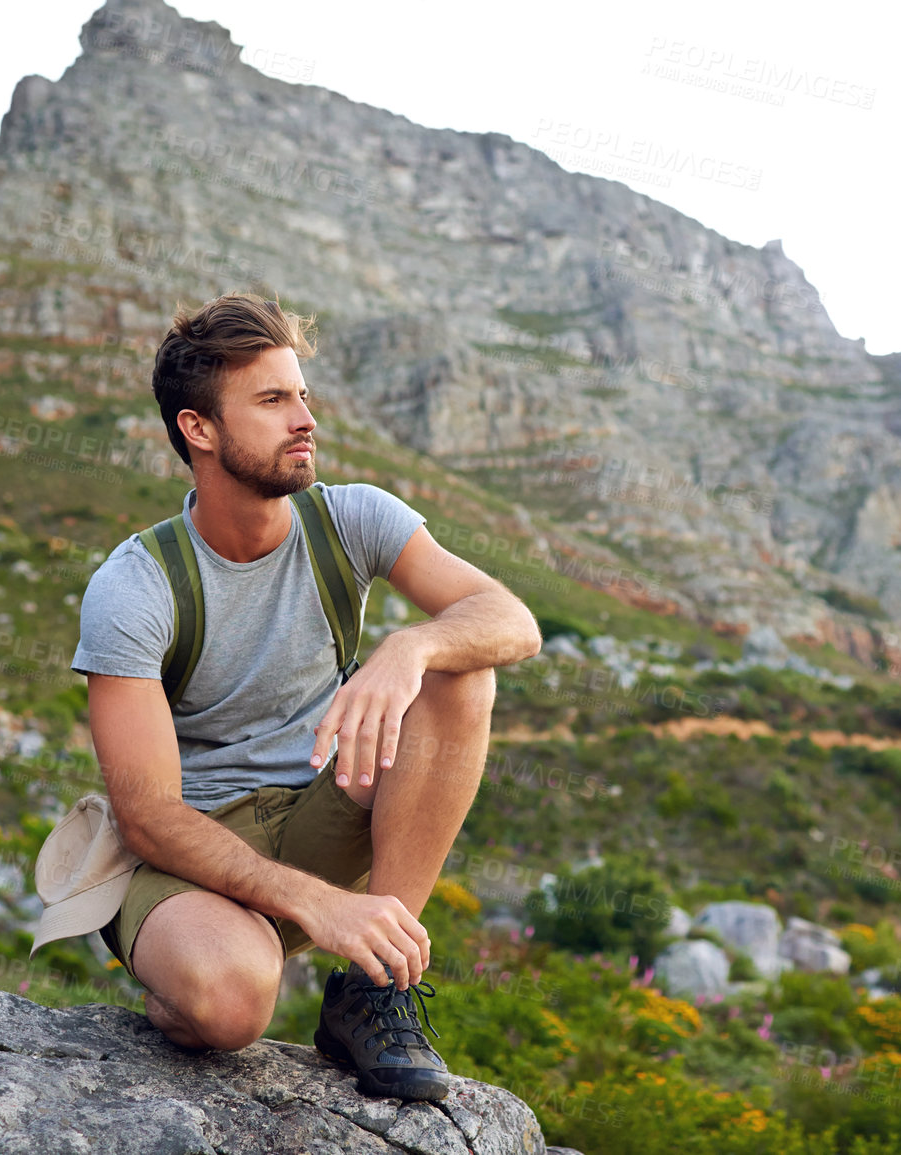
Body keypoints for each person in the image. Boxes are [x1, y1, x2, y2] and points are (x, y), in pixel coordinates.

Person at [70, 291, 541, 1101]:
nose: (304, 419)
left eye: (302, 395)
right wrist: (316, 905)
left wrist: (411, 646)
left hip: (318, 806)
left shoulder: (352, 517)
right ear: (199, 429)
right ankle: (179, 969)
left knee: (460, 671)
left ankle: (374, 992)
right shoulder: (135, 585)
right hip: (190, 852)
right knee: (231, 1006)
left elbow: (512, 620)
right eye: (272, 400)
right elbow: (148, 813)